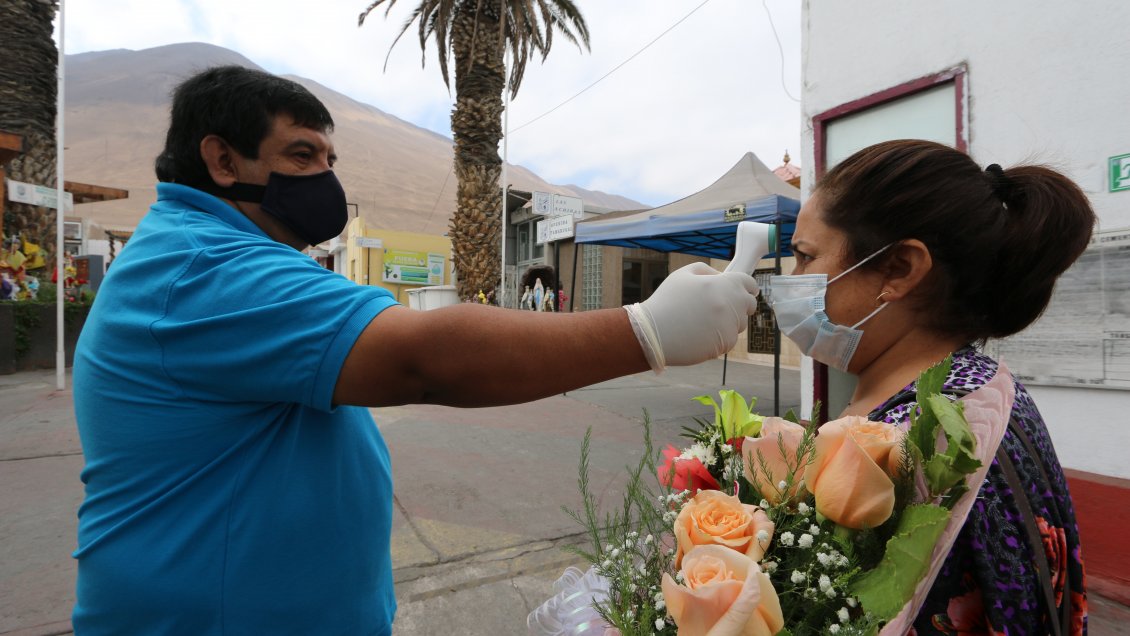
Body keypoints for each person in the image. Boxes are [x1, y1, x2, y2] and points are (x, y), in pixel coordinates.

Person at [70, 65, 760, 636]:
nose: (324, 179)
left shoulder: (210, 256)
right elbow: (425, 357)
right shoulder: (205, 268)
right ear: (222, 160)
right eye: (301, 155)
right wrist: (647, 332)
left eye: (328, 159)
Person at [767, 139, 1092, 634]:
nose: (793, 280)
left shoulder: (911, 448)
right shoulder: (981, 389)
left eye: (805, 255)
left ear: (899, 269)